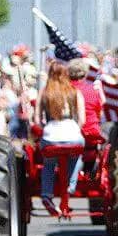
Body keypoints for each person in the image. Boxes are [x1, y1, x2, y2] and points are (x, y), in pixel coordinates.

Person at [34, 62, 86, 214]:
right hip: (72, 134)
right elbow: (82, 120)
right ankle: (70, 187)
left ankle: (46, 194)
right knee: (77, 158)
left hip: (51, 135)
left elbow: (37, 120)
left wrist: (45, 130)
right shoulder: (74, 92)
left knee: (48, 163)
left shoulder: (44, 93)